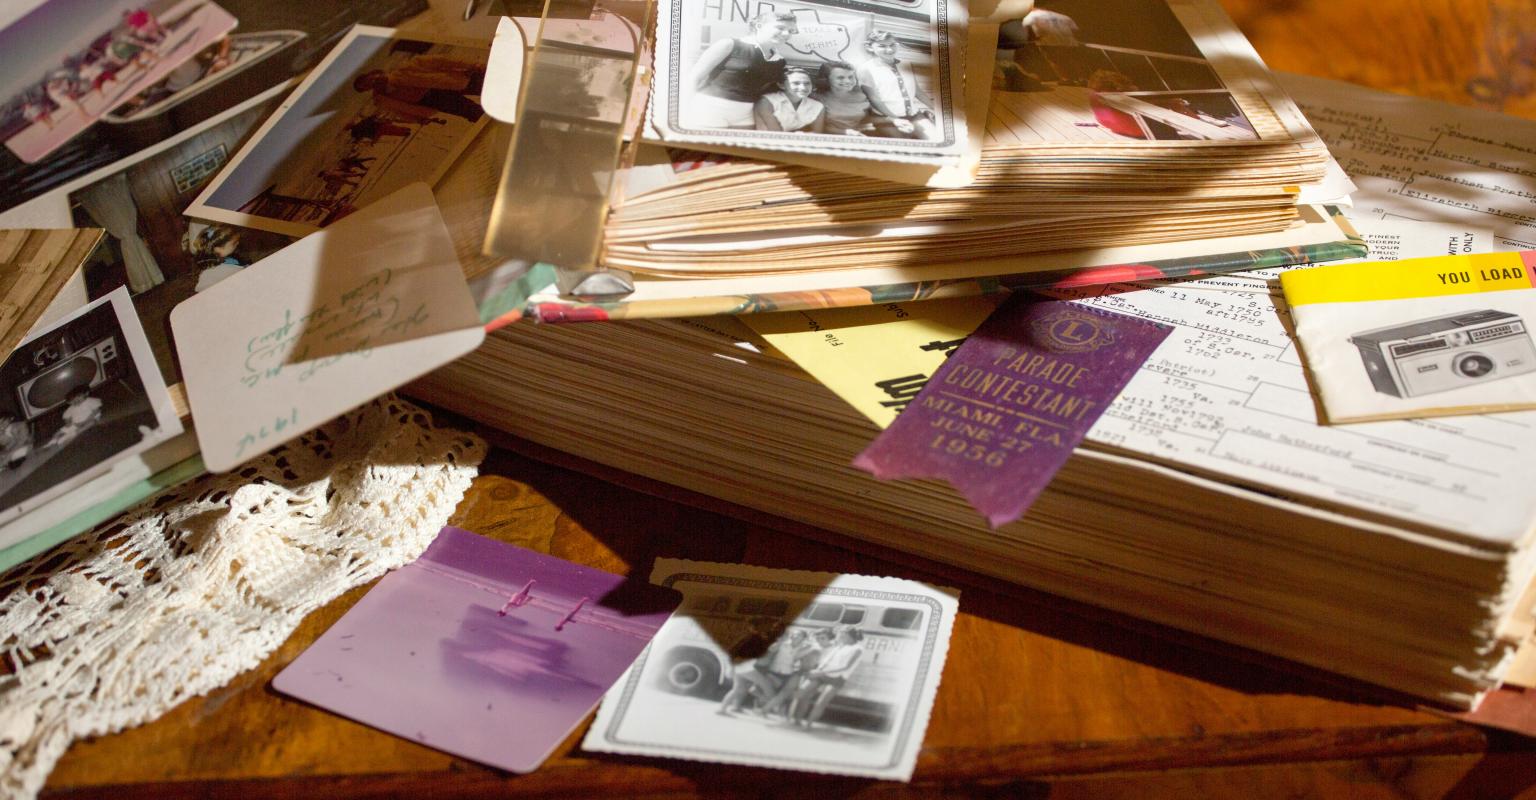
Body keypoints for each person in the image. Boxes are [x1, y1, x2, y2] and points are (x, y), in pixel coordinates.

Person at [683, 11, 795, 130]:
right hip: (710, 108)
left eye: (791, 31)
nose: (786, 34)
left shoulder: (779, 61)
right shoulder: (730, 45)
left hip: (745, 114)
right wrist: (683, 110)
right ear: (759, 26)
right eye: (780, 28)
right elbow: (694, 77)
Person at [352, 55, 486, 124]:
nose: (373, 83)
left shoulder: (405, 67)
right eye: (367, 86)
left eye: (370, 80)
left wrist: (471, 65)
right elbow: (399, 111)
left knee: (487, 87)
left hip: (447, 81)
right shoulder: (384, 99)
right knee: (473, 113)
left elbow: (441, 60)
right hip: (433, 101)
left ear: (374, 73)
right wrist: (417, 119)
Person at [856, 31, 937, 140]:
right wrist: (895, 119)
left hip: (915, 115)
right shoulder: (866, 69)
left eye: (892, 45)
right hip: (886, 118)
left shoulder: (906, 64)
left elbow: (917, 91)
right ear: (870, 47)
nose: (889, 49)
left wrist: (935, 108)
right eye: (882, 46)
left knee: (934, 139)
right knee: (905, 144)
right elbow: (874, 100)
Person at [788, 625, 864, 728]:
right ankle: (797, 720)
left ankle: (808, 725)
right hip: (822, 673)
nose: (839, 636)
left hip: (838, 678)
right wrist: (818, 670)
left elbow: (846, 667)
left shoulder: (857, 649)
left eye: (841, 634)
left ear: (848, 635)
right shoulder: (840, 645)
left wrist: (821, 673)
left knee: (821, 702)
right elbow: (829, 658)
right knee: (802, 693)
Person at [715, 616, 787, 716]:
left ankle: (722, 709)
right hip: (745, 667)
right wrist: (730, 668)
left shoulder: (756, 637)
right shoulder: (754, 638)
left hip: (742, 667)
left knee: (738, 689)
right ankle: (775, 709)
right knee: (766, 685)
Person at [815, 62, 881, 136]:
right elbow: (817, 128)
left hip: (860, 135)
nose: (848, 81)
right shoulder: (817, 98)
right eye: (840, 78)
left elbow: (871, 118)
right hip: (829, 137)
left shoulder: (864, 95)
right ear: (826, 79)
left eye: (851, 77)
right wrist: (846, 132)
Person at [753, 68, 825, 133]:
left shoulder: (818, 106)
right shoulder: (766, 102)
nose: (803, 87)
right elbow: (776, 134)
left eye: (807, 83)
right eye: (796, 83)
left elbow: (817, 135)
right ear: (781, 85)